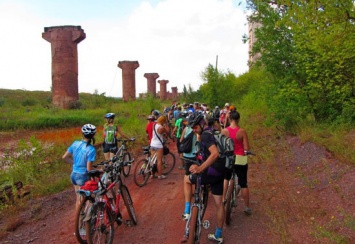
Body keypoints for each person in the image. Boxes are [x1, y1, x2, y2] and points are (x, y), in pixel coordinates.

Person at [181, 112, 225, 243]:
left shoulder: (205, 135)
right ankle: (218, 235)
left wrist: (200, 168)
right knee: (218, 203)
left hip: (210, 172)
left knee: (186, 180)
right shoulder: (212, 131)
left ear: (201, 123)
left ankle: (187, 210)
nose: (193, 129)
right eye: (192, 127)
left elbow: (215, 154)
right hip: (219, 172)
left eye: (195, 126)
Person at [221, 110, 252, 216]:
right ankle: (247, 207)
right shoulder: (242, 131)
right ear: (238, 119)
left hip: (228, 158)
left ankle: (223, 199)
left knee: (226, 178)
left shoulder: (224, 131)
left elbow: (221, 146)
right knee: (243, 183)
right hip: (240, 159)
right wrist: (246, 152)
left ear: (229, 119)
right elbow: (246, 148)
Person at [62, 124, 97, 211]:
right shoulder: (91, 149)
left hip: (74, 174)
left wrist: (74, 164)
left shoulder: (75, 143)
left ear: (82, 134)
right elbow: (89, 169)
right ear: (93, 136)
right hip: (83, 176)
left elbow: (64, 157)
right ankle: (87, 219)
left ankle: (79, 221)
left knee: (79, 199)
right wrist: (98, 170)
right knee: (89, 198)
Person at [150, 115, 170, 179]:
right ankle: (160, 175)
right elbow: (167, 132)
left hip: (152, 144)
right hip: (158, 145)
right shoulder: (162, 128)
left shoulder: (154, 125)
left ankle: (152, 174)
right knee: (159, 161)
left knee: (153, 161)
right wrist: (166, 124)